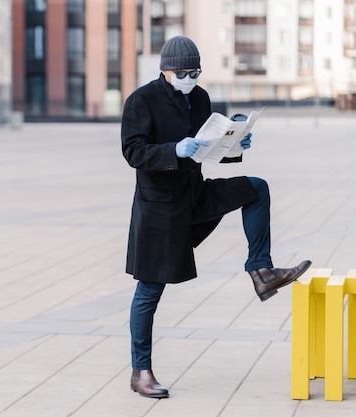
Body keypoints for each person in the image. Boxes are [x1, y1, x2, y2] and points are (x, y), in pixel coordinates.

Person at [120, 35, 311, 399]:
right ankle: (140, 371)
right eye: (184, 72)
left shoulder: (201, 98)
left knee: (256, 188)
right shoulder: (141, 100)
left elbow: (207, 148)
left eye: (196, 71)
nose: (191, 77)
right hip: (159, 209)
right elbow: (133, 151)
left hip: (195, 194)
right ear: (166, 70)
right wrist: (172, 149)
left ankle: (262, 271)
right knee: (149, 290)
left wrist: (235, 146)